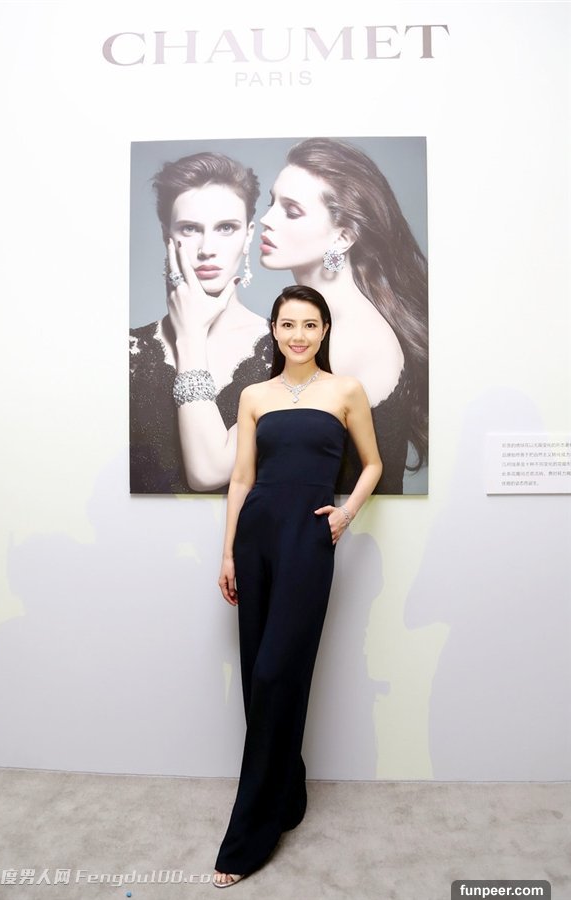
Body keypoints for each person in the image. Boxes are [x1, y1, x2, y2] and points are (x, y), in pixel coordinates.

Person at [213, 285, 383, 887]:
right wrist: (228, 551)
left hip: (309, 539)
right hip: (256, 536)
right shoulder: (254, 396)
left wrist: (345, 514)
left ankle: (249, 834)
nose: (299, 335)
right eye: (288, 324)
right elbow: (241, 478)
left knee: (274, 672)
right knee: (256, 671)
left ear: (325, 330)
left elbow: (373, 463)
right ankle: (287, 791)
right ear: (275, 330)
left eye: (310, 324)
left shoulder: (346, 390)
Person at [259, 137, 428, 494]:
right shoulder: (327, 321)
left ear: (342, 238)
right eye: (271, 203)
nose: (265, 220)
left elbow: (231, 464)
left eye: (291, 211)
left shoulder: (351, 338)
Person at [129, 152, 272, 493]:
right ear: (167, 236)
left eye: (226, 228)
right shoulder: (127, 351)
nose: (207, 248)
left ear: (248, 235)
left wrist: (191, 335)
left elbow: (207, 473)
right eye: (190, 229)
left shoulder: (288, 351)